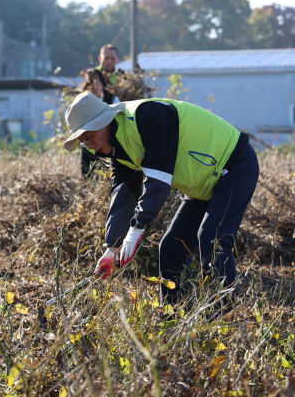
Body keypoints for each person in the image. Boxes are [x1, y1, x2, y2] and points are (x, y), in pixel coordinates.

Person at [63, 92, 259, 307]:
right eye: (84, 142)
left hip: (234, 166)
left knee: (212, 237)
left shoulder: (150, 115)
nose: (89, 146)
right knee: (170, 247)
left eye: (89, 137)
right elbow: (123, 195)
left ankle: (228, 309)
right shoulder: (118, 148)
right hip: (203, 185)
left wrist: (138, 227)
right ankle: (171, 312)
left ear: (105, 122)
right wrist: (113, 247)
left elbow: (159, 178)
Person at [79, 44, 124, 178]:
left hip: (107, 135)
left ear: (116, 60)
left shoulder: (121, 77)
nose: (109, 62)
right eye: (106, 58)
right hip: (89, 137)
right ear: (100, 58)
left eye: (112, 58)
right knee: (88, 172)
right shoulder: (93, 75)